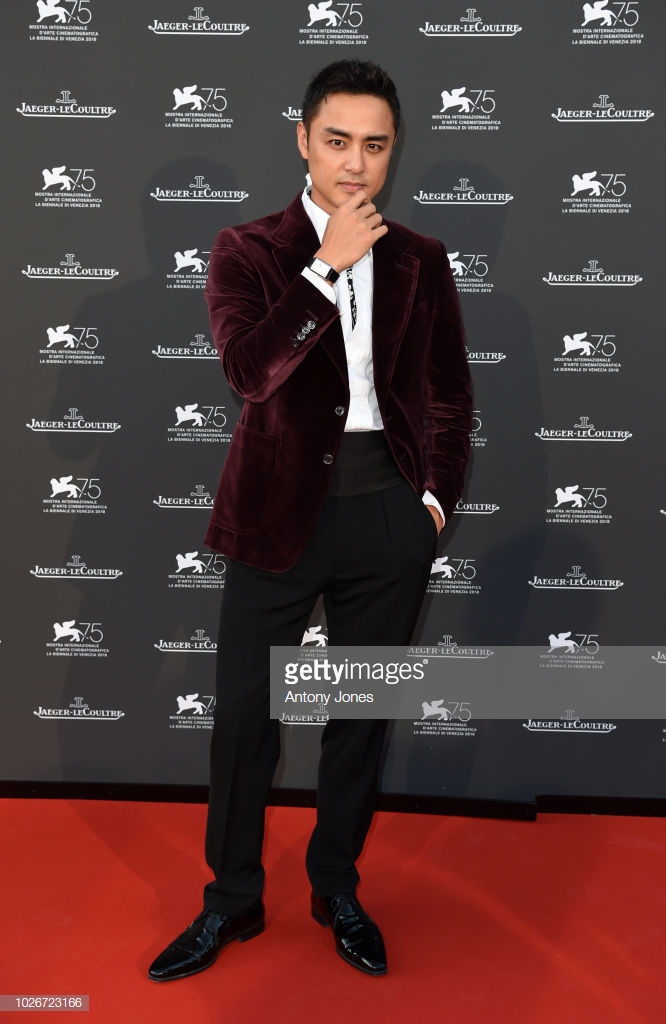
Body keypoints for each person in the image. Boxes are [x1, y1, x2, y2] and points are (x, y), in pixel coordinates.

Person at [148, 59, 472, 982]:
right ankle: (231, 901)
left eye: (375, 145)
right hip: (275, 517)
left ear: (393, 150)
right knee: (245, 721)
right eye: (337, 142)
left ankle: (337, 887)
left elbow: (449, 398)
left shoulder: (421, 259)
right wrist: (325, 267)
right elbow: (250, 372)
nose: (355, 164)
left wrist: (431, 507)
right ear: (302, 140)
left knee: (358, 720)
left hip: (388, 519)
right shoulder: (248, 249)